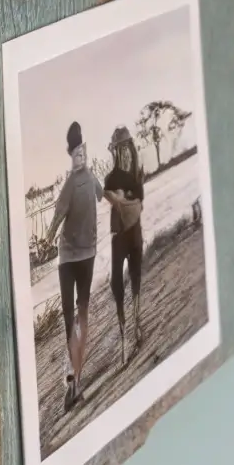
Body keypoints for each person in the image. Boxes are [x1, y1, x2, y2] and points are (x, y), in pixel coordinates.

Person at [42, 121, 104, 411]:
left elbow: (102, 193)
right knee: (70, 317)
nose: (81, 156)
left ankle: (75, 377)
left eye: (83, 151)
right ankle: (72, 378)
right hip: (68, 259)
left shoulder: (91, 178)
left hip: (88, 255)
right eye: (76, 153)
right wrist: (46, 239)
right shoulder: (68, 185)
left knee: (82, 314)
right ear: (71, 155)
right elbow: (56, 217)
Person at [103, 125, 144, 367]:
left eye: (128, 147)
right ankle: (123, 338)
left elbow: (138, 203)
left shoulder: (137, 174)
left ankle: (137, 323)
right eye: (121, 149)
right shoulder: (111, 178)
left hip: (135, 233)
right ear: (116, 153)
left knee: (137, 278)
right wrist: (126, 200)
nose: (125, 153)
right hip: (119, 236)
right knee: (117, 284)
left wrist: (127, 200)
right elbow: (119, 199)